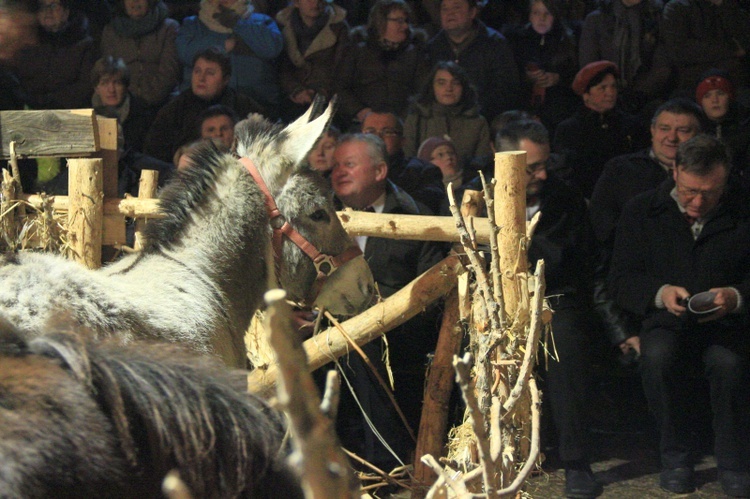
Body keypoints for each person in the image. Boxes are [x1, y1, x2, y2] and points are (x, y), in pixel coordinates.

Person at [609, 134, 750, 497]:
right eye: (689, 191)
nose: (698, 202)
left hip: (728, 324)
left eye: (710, 192)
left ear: (726, 180)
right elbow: (621, 278)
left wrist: (736, 297)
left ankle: (734, 462)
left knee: (729, 365)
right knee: (657, 358)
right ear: (674, 172)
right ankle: (676, 457)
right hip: (666, 321)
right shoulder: (643, 211)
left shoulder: (743, 210)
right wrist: (659, 293)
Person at [495, 119, 601, 499]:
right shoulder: (477, 193)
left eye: (543, 164)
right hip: (492, 302)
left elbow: (572, 258)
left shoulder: (565, 197)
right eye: (531, 168)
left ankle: (576, 460)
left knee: (566, 346)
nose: (542, 173)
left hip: (554, 298)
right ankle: (497, 457)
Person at [329, 132, 446, 472]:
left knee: (363, 348)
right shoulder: (321, 215)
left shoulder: (415, 216)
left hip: (396, 328)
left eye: (349, 164)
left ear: (380, 172)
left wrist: (382, 311)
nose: (338, 172)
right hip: (326, 323)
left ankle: (383, 467)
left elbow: (432, 290)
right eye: (336, 165)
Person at [589, 98, 703, 351]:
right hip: (635, 291)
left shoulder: (716, 182)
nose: (671, 137)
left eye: (683, 130)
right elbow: (601, 243)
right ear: (652, 130)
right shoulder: (621, 171)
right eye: (664, 128)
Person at [142, 47, 264, 163]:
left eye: (210, 73)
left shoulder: (244, 107)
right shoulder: (174, 110)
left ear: (225, 79)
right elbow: (154, 153)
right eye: (197, 71)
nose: (201, 78)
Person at [553, 60, 647, 198]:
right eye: (602, 88)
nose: (610, 93)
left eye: (613, 87)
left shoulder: (631, 125)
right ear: (586, 94)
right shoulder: (569, 129)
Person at [335, 0, 429, 128]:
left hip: (402, 123)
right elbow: (339, 87)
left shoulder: (415, 53)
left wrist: (401, 117)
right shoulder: (358, 50)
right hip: (362, 123)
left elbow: (422, 91)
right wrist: (360, 111)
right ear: (381, 21)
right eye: (399, 21)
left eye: (406, 21)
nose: (405, 26)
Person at [177, 0, 284, 112]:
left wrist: (237, 23)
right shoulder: (192, 24)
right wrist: (223, 45)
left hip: (258, 103)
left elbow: (272, 49)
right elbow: (185, 52)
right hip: (201, 105)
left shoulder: (262, 21)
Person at [426, 0, 521, 123]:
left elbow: (506, 90)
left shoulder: (494, 43)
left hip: (484, 120)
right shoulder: (433, 47)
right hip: (441, 121)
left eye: (456, 8)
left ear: (472, 12)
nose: (449, 13)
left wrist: (471, 112)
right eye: (445, 9)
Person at [578, 0, 671, 113]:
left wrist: (638, 94)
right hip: (603, 96)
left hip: (647, 97)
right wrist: (608, 90)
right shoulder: (596, 19)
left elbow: (662, 66)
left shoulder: (659, 17)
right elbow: (589, 64)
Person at [402, 60, 492, 171]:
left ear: (463, 87)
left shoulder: (477, 122)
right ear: (432, 86)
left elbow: (481, 163)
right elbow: (407, 158)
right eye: (441, 83)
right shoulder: (416, 118)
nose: (449, 88)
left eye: (455, 83)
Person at [504, 0, 580, 130]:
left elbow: (578, 73)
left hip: (559, 111)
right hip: (525, 109)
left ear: (555, 16)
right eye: (536, 13)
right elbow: (507, 76)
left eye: (547, 13)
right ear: (529, 16)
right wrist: (526, 77)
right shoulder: (516, 41)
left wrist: (559, 78)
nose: (541, 18)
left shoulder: (569, 40)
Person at [275, 0, 351, 121]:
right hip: (292, 97)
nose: (315, 3)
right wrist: (296, 90)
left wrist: (320, 92)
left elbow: (342, 69)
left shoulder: (339, 28)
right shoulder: (283, 25)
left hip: (327, 97)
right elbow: (281, 66)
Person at [12, 0, 96, 110]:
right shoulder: (28, 42)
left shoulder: (83, 44)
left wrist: (52, 102)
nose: (48, 11)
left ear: (66, 12)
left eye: (54, 5)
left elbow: (85, 85)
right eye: (42, 6)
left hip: (70, 112)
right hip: (30, 111)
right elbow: (17, 79)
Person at [361, 110, 446, 214]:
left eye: (387, 132)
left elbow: (426, 210)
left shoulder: (424, 172)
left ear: (402, 141)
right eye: (370, 132)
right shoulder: (345, 170)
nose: (377, 137)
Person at [100, 0, 180, 109]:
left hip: (162, 105)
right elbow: (109, 72)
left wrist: (144, 102)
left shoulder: (169, 28)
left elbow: (169, 73)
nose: (135, 2)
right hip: (123, 105)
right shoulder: (111, 31)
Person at [661, 0, 750, 94]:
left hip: (734, 77)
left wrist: (724, 6)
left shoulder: (730, 7)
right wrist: (731, 50)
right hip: (694, 78)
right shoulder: (677, 7)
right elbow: (679, 49)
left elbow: (744, 39)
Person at [91, 56, 156, 154]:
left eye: (117, 83)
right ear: (96, 88)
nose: (111, 90)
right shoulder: (85, 113)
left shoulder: (143, 112)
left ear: (125, 86)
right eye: (105, 83)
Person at [694, 68, 750, 180]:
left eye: (720, 93)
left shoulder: (745, 125)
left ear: (730, 97)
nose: (714, 100)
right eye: (707, 96)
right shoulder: (693, 128)